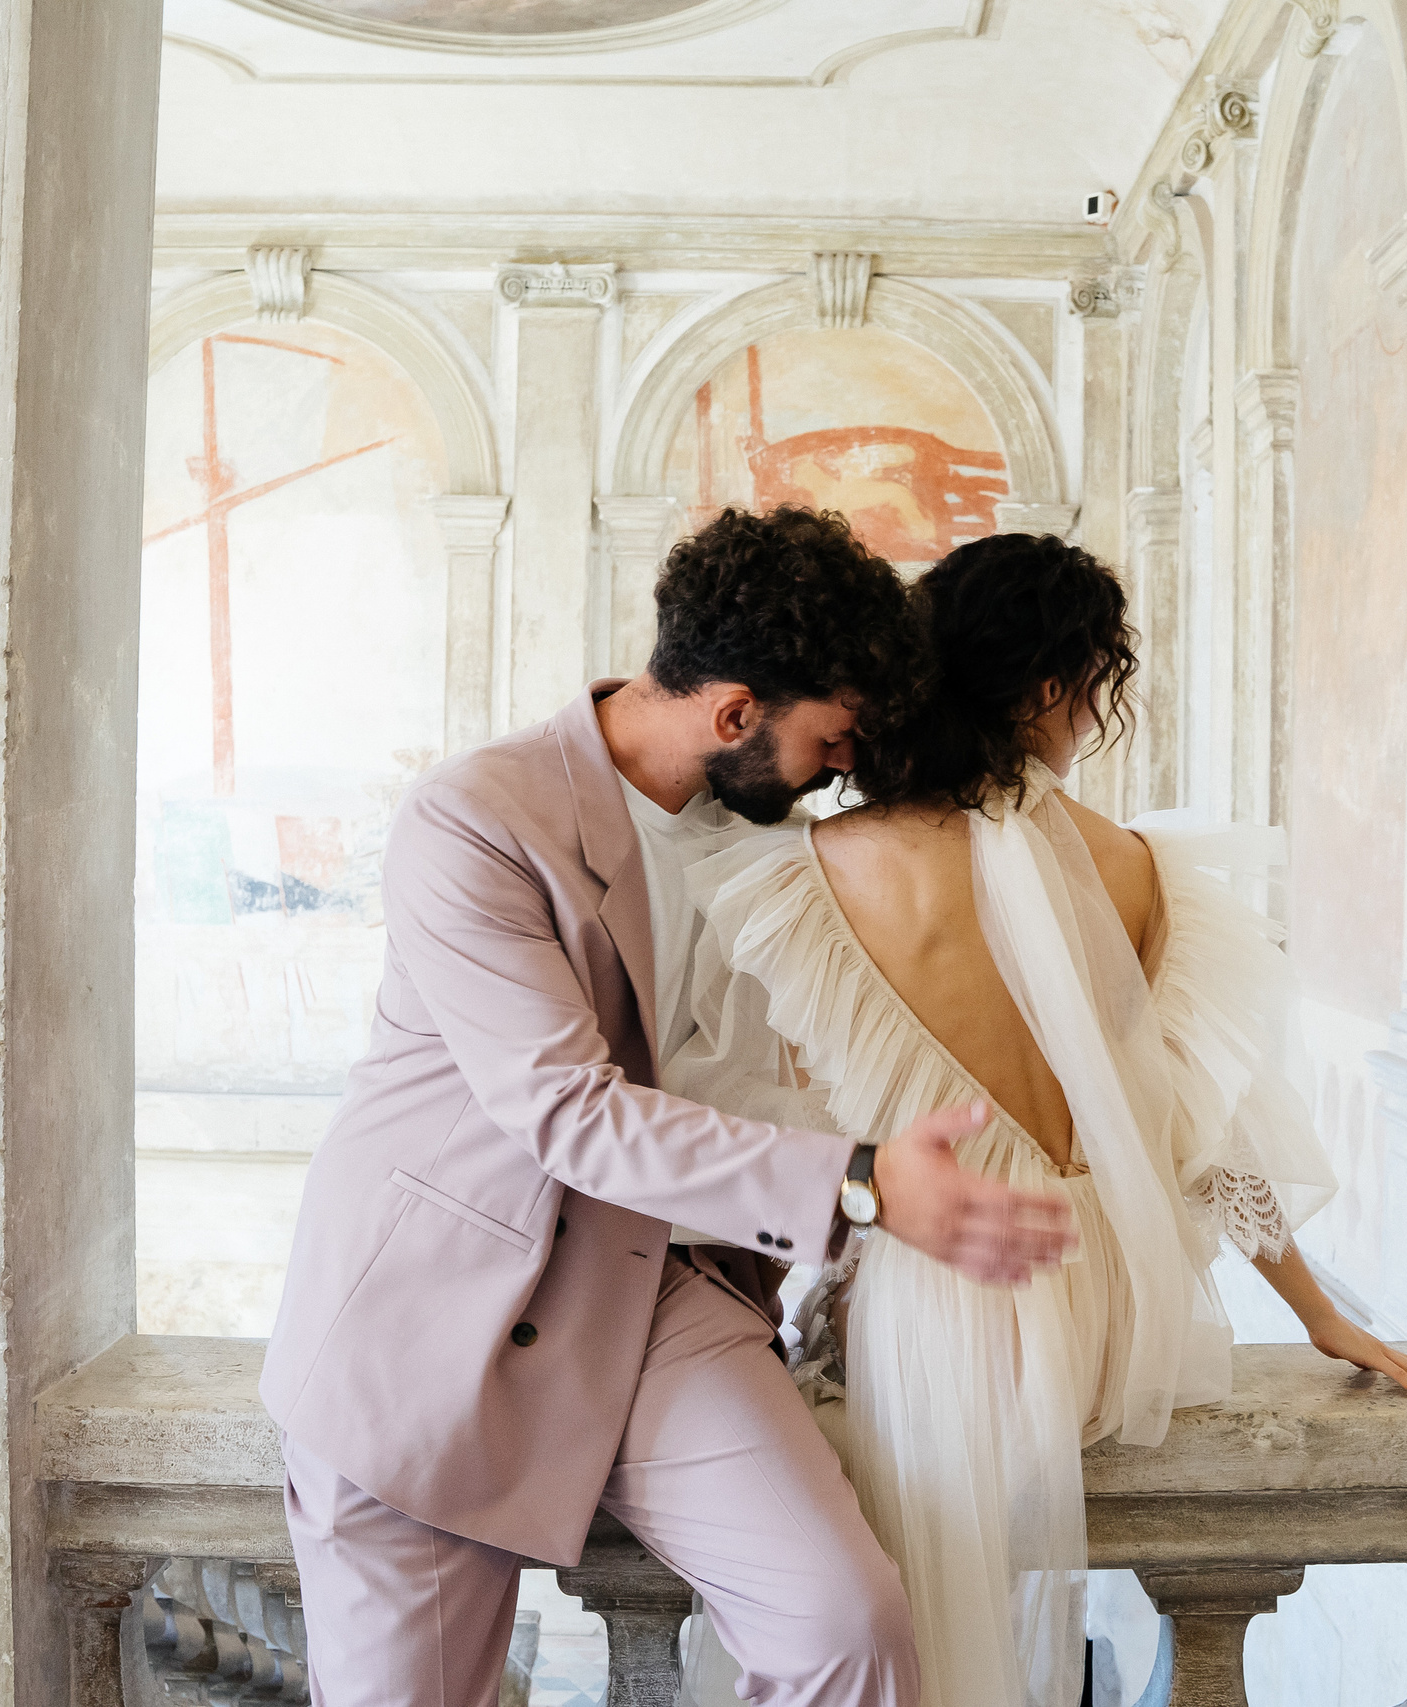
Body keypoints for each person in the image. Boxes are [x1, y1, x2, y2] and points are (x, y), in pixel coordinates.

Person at [261, 506, 1077, 1707]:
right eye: (831, 737)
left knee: (847, 1625)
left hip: (660, 1291)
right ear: (735, 714)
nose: (841, 768)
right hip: (435, 1320)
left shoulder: (763, 839)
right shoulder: (475, 817)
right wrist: (861, 1181)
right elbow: (568, 1112)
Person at [665, 532, 1407, 1707]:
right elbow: (1204, 1131)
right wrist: (1321, 1314)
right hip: (1103, 1319)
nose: (1090, 719)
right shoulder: (1137, 869)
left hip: (945, 1306)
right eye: (1093, 688)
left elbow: (748, 1124)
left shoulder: (812, 869)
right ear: (1048, 687)